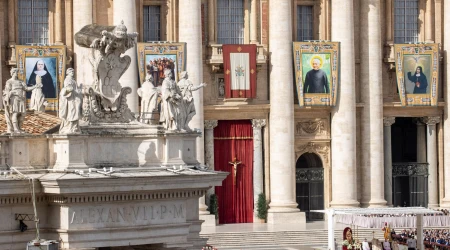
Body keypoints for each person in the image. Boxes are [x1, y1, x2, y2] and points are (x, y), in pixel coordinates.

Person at [3, 68, 37, 133]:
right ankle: (15, 129)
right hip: (14, 99)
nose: (16, 73)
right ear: (12, 73)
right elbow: (7, 92)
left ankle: (19, 127)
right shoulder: (9, 82)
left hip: (21, 99)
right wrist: (12, 93)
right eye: (15, 72)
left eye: (17, 72)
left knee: (23, 114)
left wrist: (35, 86)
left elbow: (26, 88)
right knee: (15, 113)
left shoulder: (21, 81)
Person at [59, 68, 83, 134]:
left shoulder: (74, 81)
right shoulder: (67, 80)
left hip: (75, 98)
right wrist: (69, 89)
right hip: (70, 99)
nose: (72, 72)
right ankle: (69, 127)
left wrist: (79, 90)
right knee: (71, 112)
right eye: (71, 71)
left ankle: (74, 126)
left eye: (73, 71)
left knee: (76, 112)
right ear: (68, 73)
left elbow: (76, 89)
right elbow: (67, 88)